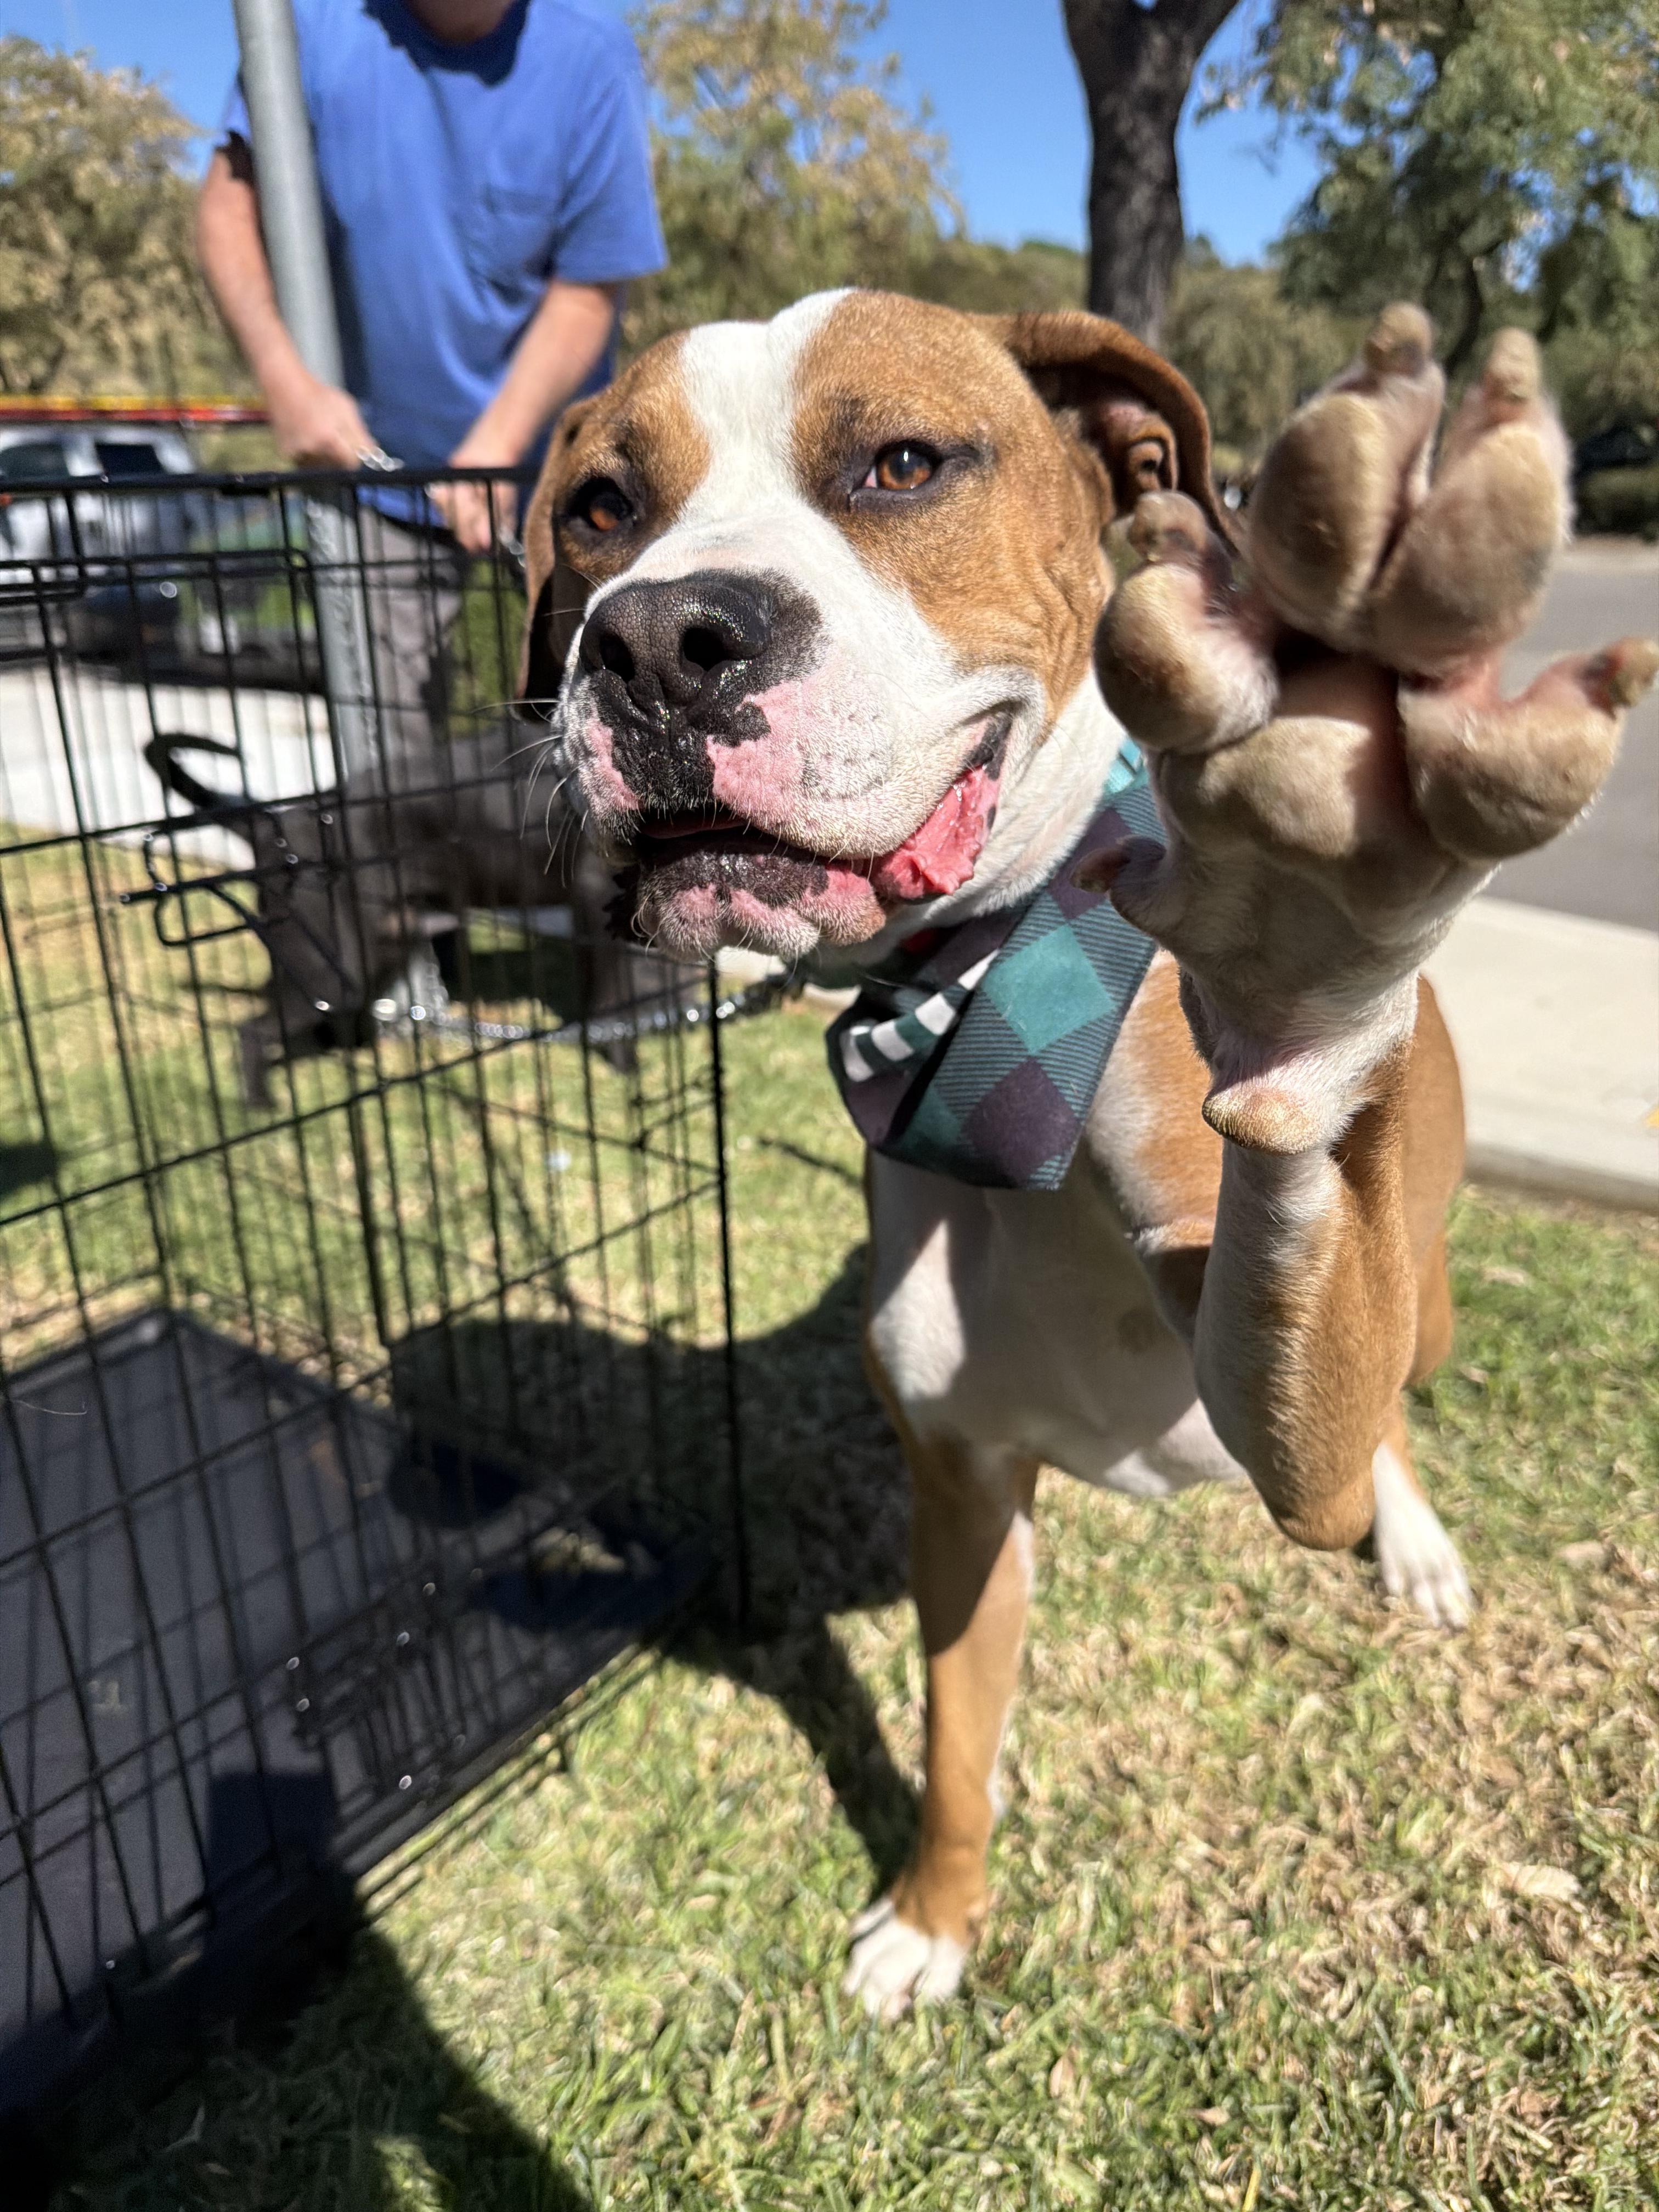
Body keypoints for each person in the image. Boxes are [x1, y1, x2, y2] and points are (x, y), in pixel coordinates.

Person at [198, 0, 664, 763]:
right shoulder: (313, 28)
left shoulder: (591, 50)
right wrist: (285, 381)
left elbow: (590, 286)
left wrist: (498, 443)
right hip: (378, 480)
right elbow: (225, 210)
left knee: (605, 739)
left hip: (562, 493)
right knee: (390, 774)